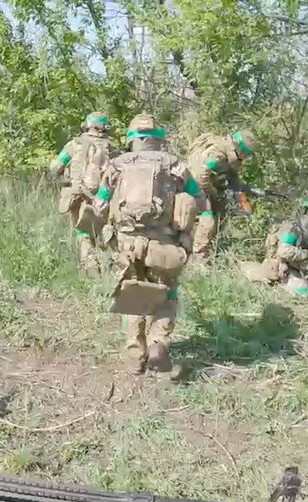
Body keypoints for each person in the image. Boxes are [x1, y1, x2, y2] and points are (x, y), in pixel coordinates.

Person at [93, 114, 204, 377]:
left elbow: (99, 204)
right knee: (167, 294)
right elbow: (198, 200)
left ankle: (134, 354)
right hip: (164, 245)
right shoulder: (175, 164)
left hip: (127, 244)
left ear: (132, 139)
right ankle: (158, 344)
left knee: (132, 295)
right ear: (159, 139)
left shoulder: (117, 165)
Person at [49, 112, 117, 276]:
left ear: (86, 125)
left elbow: (55, 167)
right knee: (106, 229)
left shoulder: (74, 144)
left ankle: (91, 266)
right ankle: (116, 263)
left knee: (83, 231)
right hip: (105, 197)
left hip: (79, 194)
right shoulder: (111, 148)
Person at [185, 129, 258, 261]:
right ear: (239, 148)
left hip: (207, 185)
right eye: (246, 153)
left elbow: (234, 181)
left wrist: (244, 203)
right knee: (208, 220)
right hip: (194, 184)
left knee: (221, 215)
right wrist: (213, 192)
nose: (247, 157)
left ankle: (207, 247)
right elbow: (201, 175)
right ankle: (198, 259)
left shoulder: (233, 158)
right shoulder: (218, 153)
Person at [241, 196, 308, 295]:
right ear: (304, 212)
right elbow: (284, 251)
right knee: (302, 291)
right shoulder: (292, 229)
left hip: (301, 268)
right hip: (284, 267)